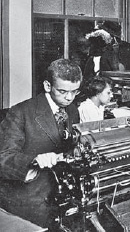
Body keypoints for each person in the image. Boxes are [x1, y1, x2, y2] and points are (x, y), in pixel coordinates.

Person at [0, 59, 82, 229]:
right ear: (47, 86)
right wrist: (34, 160)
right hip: (28, 199)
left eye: (75, 92)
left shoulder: (72, 110)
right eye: (62, 91)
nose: (69, 97)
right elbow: (4, 158)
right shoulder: (20, 112)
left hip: (62, 194)